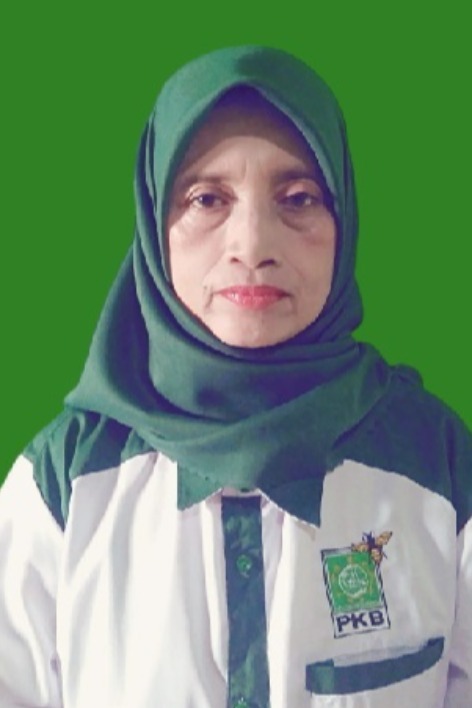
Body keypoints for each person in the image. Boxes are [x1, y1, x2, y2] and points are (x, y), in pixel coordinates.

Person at [0, 45, 470, 708]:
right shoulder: (64, 483)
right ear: (154, 223)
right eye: (206, 198)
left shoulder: (437, 463)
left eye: (298, 197)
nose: (252, 244)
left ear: (344, 220)